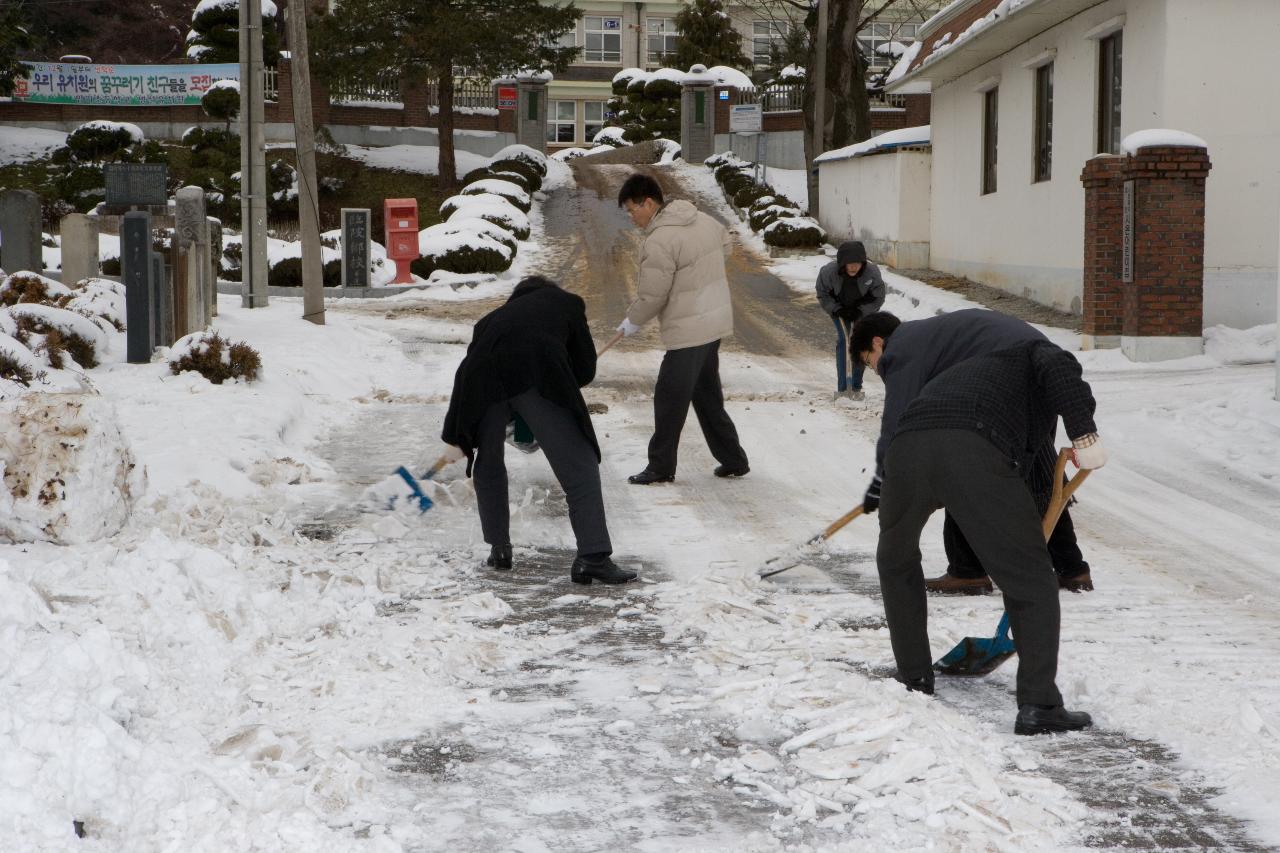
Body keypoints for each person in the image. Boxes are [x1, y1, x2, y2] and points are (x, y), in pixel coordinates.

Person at [867, 337, 1107, 734]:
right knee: (1031, 578)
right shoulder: (1036, 352)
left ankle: (913, 678)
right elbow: (1062, 372)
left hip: (907, 448)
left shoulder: (976, 371)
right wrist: (1085, 433)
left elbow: (1027, 458)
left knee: (896, 560)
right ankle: (1039, 705)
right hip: (971, 447)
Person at [850, 309, 1095, 593]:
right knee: (1037, 474)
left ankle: (968, 571)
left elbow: (899, 420)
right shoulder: (935, 338)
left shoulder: (903, 348)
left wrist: (884, 480)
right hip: (1038, 379)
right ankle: (1071, 568)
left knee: (957, 462)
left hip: (1008, 382)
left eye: (870, 362)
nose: (878, 370)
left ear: (878, 343)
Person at [441, 275, 636, 585]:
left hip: (479, 383)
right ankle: (592, 556)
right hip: (534, 370)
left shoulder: (491, 319)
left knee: (489, 462)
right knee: (579, 464)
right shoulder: (566, 303)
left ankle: (499, 549)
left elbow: (470, 368)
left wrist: (464, 430)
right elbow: (584, 369)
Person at [613, 172, 750, 485]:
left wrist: (632, 321)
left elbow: (653, 295)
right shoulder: (702, 219)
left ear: (649, 202)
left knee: (669, 399)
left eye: (633, 210)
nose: (632, 217)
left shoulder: (660, 240)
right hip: (712, 324)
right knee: (706, 397)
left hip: (689, 330)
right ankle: (733, 460)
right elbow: (725, 245)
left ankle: (660, 467)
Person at [815, 241, 885, 400]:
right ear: (842, 264)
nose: (853, 267)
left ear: (863, 263)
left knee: (859, 343)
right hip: (839, 309)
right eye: (849, 264)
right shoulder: (828, 273)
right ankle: (842, 389)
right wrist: (836, 309)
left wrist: (861, 311)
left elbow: (878, 297)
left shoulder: (872, 273)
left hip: (861, 310)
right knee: (844, 340)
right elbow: (822, 294)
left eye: (857, 264)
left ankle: (855, 386)